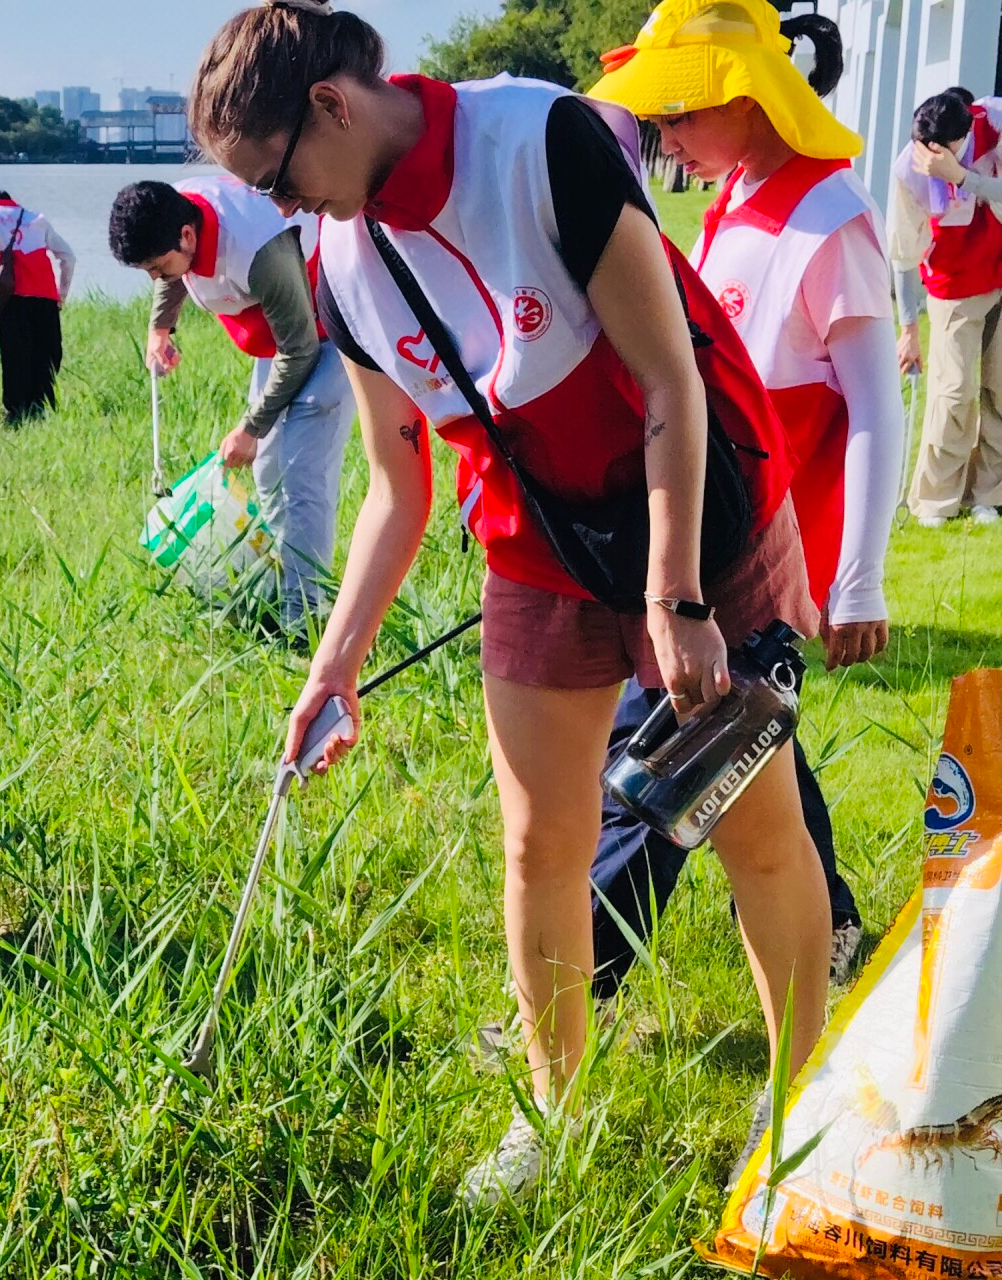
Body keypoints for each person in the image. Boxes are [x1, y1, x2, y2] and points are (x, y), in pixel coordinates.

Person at [188, 0, 830, 1205]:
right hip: (537, 539)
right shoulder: (340, 262)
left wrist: (677, 597)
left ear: (331, 105)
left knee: (752, 824)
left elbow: (668, 382)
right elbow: (396, 484)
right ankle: (552, 1110)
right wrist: (332, 665)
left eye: (279, 180)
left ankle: (799, 1094)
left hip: (693, 499)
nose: (285, 211)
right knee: (540, 839)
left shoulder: (540, 143)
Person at [585, 0, 905, 1011]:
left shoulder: (830, 218)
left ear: (743, 99)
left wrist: (856, 579)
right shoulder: (733, 199)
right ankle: (840, 924)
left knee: (660, 771)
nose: (665, 140)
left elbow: (876, 412)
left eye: (676, 116)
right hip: (708, 532)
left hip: (762, 559)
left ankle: (562, 995)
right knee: (756, 742)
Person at [109, 177, 356, 631]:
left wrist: (251, 428)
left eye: (158, 266)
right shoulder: (176, 216)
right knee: (267, 474)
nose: (157, 279)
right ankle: (282, 591)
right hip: (277, 345)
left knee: (303, 480)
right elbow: (174, 272)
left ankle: (305, 621)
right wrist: (160, 327)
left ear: (187, 235)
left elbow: (300, 348)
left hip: (327, 338)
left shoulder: (258, 248)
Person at [889, 87, 1002, 527]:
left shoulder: (993, 125)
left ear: (966, 132)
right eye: (924, 147)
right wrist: (908, 329)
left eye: (940, 149)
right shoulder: (909, 167)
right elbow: (902, 248)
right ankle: (935, 499)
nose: (929, 156)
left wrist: (961, 177)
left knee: (999, 387)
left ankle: (987, 493)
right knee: (954, 391)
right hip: (955, 284)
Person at [0, 190, 76, 423]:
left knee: (15, 355)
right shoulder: (37, 218)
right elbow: (68, 257)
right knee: (47, 353)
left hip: (11, 297)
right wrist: (61, 293)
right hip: (45, 295)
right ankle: (43, 407)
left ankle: (16, 412)